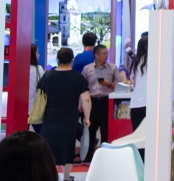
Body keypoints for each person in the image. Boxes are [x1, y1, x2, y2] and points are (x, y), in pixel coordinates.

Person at [40, 48, 91, 181]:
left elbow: (40, 94)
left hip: (50, 118)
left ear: (57, 59)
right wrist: (86, 117)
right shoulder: (78, 78)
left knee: (49, 147)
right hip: (69, 119)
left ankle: (52, 176)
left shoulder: (48, 76)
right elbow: (86, 99)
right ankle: (67, 177)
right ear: (72, 60)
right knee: (68, 147)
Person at [81, 44, 127, 163]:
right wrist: (81, 104)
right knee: (90, 129)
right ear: (96, 55)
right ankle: (88, 156)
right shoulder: (87, 69)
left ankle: (105, 156)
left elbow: (119, 84)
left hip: (107, 101)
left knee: (106, 130)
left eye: (107, 53)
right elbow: (82, 87)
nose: (106, 55)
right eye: (104, 53)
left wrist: (109, 84)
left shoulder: (112, 68)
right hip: (91, 102)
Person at [129, 37, 148, 133]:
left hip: (136, 103)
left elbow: (134, 82)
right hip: (151, 103)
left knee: (138, 135)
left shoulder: (136, 61)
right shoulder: (156, 61)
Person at [28, 44, 44, 133]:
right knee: (41, 134)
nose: (39, 55)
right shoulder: (39, 69)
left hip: (21, 108)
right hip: (36, 108)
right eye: (37, 52)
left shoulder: (19, 67)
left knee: (21, 136)